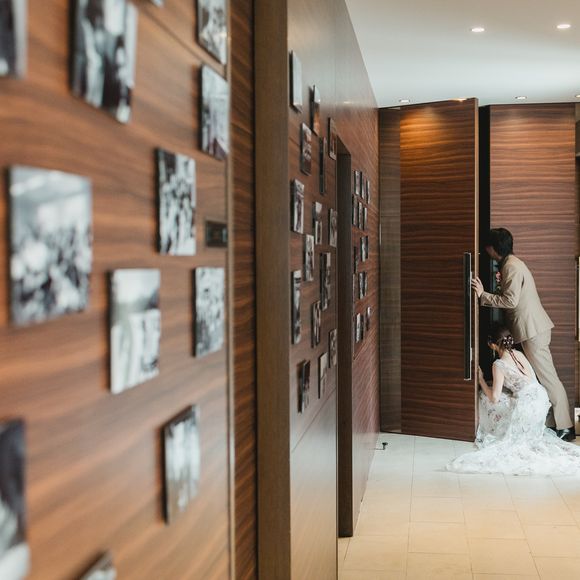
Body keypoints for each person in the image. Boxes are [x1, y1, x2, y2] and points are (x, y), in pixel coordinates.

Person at [471, 228, 575, 442]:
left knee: (548, 378)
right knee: (542, 379)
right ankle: (554, 423)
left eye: (487, 246)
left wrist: (483, 295)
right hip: (531, 329)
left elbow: (510, 301)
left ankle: (565, 426)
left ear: (493, 248)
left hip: (533, 330)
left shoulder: (512, 266)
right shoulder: (511, 264)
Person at [447, 324, 580, 475]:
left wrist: (481, 380)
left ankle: (491, 429)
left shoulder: (498, 364)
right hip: (541, 400)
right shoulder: (519, 354)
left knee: (483, 396)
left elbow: (494, 398)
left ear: (492, 345)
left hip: (526, 405)